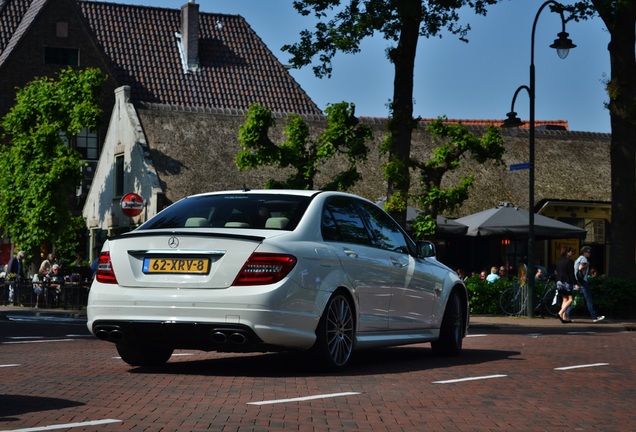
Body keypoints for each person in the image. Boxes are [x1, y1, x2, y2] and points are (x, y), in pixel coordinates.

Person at [569, 246, 604, 323]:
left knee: (573, 299)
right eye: (588, 252)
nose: (589, 254)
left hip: (577, 280)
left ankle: (566, 314)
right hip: (582, 281)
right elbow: (580, 268)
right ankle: (594, 317)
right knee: (589, 299)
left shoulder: (578, 258)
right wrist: (587, 264)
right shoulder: (584, 259)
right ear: (584, 252)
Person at [555, 246, 576, 323]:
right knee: (570, 300)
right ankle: (560, 313)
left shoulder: (559, 261)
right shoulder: (570, 261)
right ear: (567, 252)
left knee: (564, 299)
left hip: (559, 282)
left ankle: (563, 317)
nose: (571, 253)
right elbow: (571, 274)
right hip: (567, 282)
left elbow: (556, 272)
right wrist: (575, 283)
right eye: (570, 252)